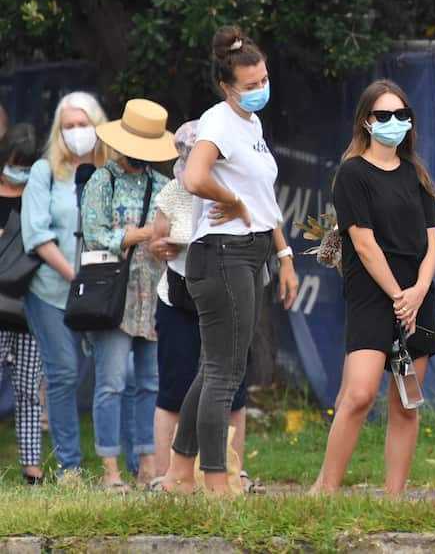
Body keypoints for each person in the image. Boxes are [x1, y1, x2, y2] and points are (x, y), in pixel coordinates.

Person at [162, 25, 299, 495]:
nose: (261, 89)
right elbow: (196, 177)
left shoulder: (250, 124)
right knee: (226, 371)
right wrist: (233, 200)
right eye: (250, 85)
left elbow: (263, 198)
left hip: (248, 251)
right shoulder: (219, 118)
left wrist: (283, 254)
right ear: (226, 86)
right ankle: (216, 482)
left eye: (264, 80)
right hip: (223, 253)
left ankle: (180, 475)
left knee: (215, 366)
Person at [311, 79, 435, 497]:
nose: (393, 122)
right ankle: (324, 489)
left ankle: (394, 497)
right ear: (367, 122)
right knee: (359, 394)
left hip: (416, 298)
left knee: (407, 402)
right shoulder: (351, 174)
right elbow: (364, 244)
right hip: (373, 296)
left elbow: (432, 240)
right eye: (383, 116)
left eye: (401, 115)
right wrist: (398, 296)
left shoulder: (415, 174)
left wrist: (418, 290)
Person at [146, 122, 255, 491]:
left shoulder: (236, 190)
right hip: (179, 299)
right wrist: (162, 247)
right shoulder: (172, 192)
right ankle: (167, 476)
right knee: (175, 388)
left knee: (232, 387)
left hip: (228, 297)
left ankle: (232, 471)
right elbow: (156, 242)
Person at [81, 99, 177, 489]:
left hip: (154, 293)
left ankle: (148, 465)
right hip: (113, 296)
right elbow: (94, 234)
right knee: (112, 382)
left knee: (150, 383)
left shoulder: (166, 186)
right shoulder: (102, 181)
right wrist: (142, 236)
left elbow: (176, 233)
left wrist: (166, 244)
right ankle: (110, 470)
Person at [21, 90, 111, 482]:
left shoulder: (112, 170)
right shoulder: (44, 172)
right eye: (69, 126)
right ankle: (70, 468)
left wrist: (95, 283)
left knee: (115, 375)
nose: (77, 132)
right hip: (51, 291)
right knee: (62, 374)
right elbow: (38, 236)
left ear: (98, 126)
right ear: (59, 131)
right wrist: (79, 279)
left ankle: (130, 467)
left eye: (84, 124)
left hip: (105, 294)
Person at [0, 124, 46, 483]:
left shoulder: (39, 192)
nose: (21, 171)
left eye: (27, 165)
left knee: (30, 388)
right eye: (16, 163)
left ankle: (32, 467)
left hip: (30, 302)